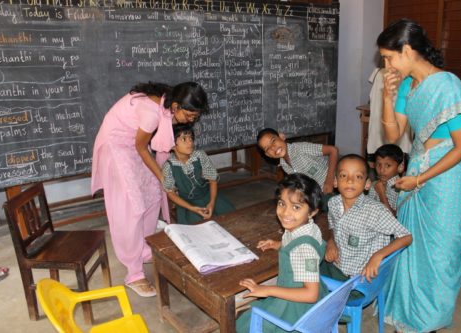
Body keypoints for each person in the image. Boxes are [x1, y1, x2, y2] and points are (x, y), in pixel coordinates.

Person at [377, 18, 461, 332]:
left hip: (447, 179)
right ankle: (407, 310)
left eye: (388, 58)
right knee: (411, 245)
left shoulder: (446, 85)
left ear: (407, 50)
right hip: (419, 167)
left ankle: (430, 319)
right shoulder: (406, 86)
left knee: (441, 252)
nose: (385, 64)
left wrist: (418, 179)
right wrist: (386, 98)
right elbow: (393, 135)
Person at [91, 81, 209, 297]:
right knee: (131, 206)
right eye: (190, 115)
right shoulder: (152, 113)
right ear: (175, 106)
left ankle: (144, 249)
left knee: (152, 194)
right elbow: (141, 146)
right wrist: (165, 178)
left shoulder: (166, 104)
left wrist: (162, 180)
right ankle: (133, 273)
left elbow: (145, 146)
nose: (192, 121)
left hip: (134, 145)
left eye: (195, 116)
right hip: (116, 147)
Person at [236, 173, 328, 333]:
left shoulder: (304, 249)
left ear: (312, 212)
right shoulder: (308, 227)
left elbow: (311, 294)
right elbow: (299, 245)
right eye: (281, 203)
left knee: (244, 324)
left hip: (296, 308)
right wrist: (278, 244)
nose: (286, 213)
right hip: (301, 295)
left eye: (296, 207)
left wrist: (267, 290)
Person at [321, 154, 412, 289]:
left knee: (307, 276)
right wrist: (331, 241)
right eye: (343, 176)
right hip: (337, 266)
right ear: (335, 181)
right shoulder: (333, 203)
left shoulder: (375, 211)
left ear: (367, 184)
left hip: (358, 280)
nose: (350, 181)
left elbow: (407, 237)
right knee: (304, 256)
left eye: (358, 177)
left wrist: (378, 255)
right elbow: (333, 227)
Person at [162, 124, 235, 224]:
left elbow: (212, 180)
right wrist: (192, 208)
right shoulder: (168, 166)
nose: (190, 142)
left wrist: (212, 203)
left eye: (191, 138)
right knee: (196, 228)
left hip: (208, 196)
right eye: (184, 139)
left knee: (231, 217)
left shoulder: (200, 155)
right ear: (172, 145)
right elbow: (171, 193)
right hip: (187, 203)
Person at [257, 128, 339, 210]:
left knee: (336, 208)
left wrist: (329, 180)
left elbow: (333, 150)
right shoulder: (284, 165)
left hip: (334, 183)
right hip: (318, 192)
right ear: (268, 154)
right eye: (267, 148)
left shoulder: (300, 148)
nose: (273, 147)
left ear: (281, 137)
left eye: (273, 140)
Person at [367, 144, 405, 215]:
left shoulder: (401, 188)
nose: (381, 170)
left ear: (400, 167)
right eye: (379, 165)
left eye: (388, 165)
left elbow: (394, 218)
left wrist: (381, 194)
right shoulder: (374, 185)